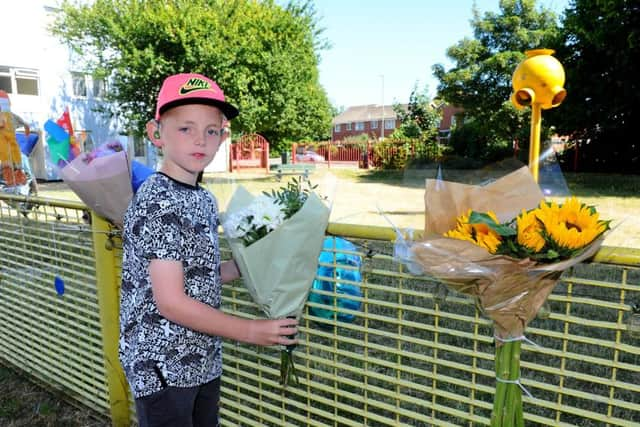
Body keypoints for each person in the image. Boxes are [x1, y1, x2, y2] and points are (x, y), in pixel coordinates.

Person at [119, 73, 298, 427]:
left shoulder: (202, 198)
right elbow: (170, 301)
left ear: (222, 135)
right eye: (186, 129)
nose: (201, 139)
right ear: (156, 133)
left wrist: (259, 257)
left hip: (202, 356)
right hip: (162, 365)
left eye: (211, 130)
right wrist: (250, 330)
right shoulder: (157, 199)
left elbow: (202, 276)